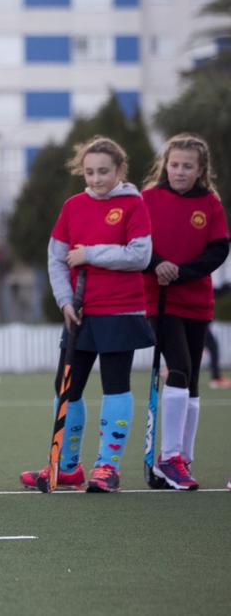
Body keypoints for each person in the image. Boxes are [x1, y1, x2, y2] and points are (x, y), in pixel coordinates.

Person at [20, 136, 154, 493]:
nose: (96, 179)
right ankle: (67, 467)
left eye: (104, 172)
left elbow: (140, 255)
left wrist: (92, 253)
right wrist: (65, 301)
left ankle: (107, 468)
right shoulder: (73, 206)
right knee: (66, 387)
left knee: (115, 384)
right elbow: (57, 258)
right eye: (90, 172)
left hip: (121, 311)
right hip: (80, 311)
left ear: (120, 170)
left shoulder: (133, 205)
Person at [142, 133, 228, 489]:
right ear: (166, 165)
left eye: (187, 166)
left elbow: (218, 249)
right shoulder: (147, 199)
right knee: (178, 368)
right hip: (158, 298)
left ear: (200, 169)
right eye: (174, 164)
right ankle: (168, 458)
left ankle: (182, 459)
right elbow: (136, 243)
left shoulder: (209, 203)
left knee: (191, 378)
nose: (179, 171)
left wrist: (182, 271)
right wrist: (159, 264)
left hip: (195, 298)